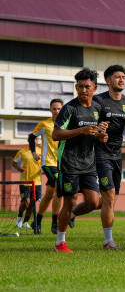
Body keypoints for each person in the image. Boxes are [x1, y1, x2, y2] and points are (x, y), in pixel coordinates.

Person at [51, 67, 109, 253]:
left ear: (95, 87)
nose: (83, 90)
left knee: (94, 202)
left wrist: (101, 136)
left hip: (88, 163)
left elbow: (97, 132)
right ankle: (60, 242)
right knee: (69, 201)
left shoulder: (98, 108)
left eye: (87, 86)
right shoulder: (69, 108)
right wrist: (81, 130)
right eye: (80, 86)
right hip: (69, 163)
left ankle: (70, 215)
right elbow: (56, 134)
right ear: (76, 87)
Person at [93, 64, 125, 250]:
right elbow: (89, 124)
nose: (122, 80)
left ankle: (75, 211)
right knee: (109, 196)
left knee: (106, 201)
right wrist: (97, 130)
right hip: (99, 153)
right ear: (108, 80)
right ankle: (108, 241)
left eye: (124, 77)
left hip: (117, 155)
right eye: (117, 76)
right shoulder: (98, 101)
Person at [28, 98, 63, 234]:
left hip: (61, 164)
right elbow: (32, 137)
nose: (56, 111)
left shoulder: (65, 125)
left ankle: (37, 222)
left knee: (50, 194)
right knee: (58, 187)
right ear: (50, 110)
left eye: (59, 108)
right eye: (54, 108)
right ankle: (55, 223)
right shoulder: (44, 124)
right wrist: (33, 152)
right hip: (48, 163)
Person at [12, 140, 42, 231]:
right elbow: (14, 163)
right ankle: (19, 219)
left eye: (36, 139)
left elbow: (44, 163)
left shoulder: (40, 151)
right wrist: (19, 168)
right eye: (33, 139)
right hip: (25, 182)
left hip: (37, 182)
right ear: (29, 140)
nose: (35, 140)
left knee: (33, 204)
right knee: (25, 202)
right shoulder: (22, 152)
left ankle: (25, 222)